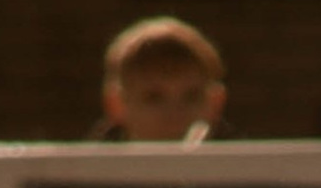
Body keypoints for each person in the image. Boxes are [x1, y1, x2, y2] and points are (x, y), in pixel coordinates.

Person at [93, 16, 226, 142]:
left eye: (192, 97)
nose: (175, 115)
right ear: (116, 104)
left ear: (215, 103)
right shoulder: (85, 166)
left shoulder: (241, 165)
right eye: (154, 98)